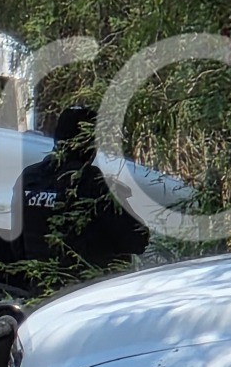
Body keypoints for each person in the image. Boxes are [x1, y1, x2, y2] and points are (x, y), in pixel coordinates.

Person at [15, 105, 150, 273]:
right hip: (90, 283)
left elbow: (16, 243)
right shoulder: (93, 183)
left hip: (40, 283)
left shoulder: (28, 178)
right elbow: (137, 240)